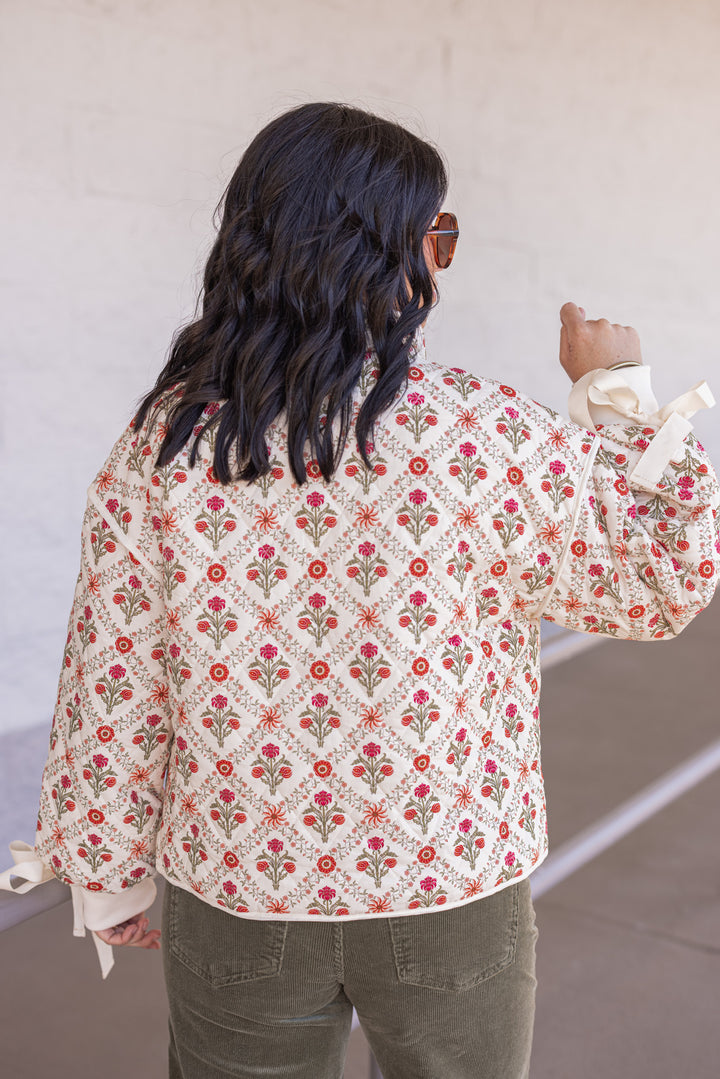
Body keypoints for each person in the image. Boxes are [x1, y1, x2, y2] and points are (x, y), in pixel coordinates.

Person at [1, 101, 718, 1079]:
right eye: (440, 233)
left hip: (238, 880)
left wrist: (105, 866)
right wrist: (617, 390)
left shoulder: (169, 443)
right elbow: (658, 578)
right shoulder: (480, 435)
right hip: (450, 882)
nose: (442, 257)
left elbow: (114, 669)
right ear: (388, 250)